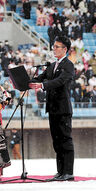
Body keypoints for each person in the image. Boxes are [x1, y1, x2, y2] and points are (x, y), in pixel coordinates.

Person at [29, 36, 75, 181]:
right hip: (52, 108)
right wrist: (24, 82)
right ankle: (60, 171)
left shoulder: (68, 65)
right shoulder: (51, 65)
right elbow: (40, 78)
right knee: (56, 141)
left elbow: (60, 81)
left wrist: (43, 86)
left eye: (57, 47)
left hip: (63, 108)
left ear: (65, 49)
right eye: (53, 46)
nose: (54, 49)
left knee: (65, 139)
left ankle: (68, 172)